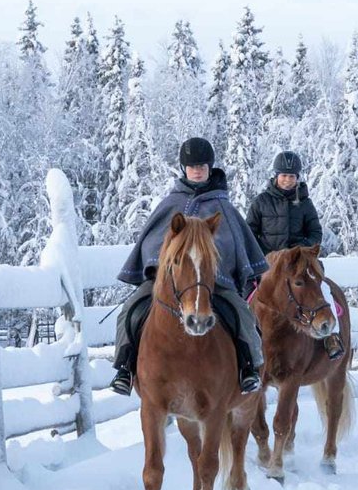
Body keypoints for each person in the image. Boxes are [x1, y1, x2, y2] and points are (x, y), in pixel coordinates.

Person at [110, 137, 269, 396]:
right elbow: (153, 241)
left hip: (214, 281)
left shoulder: (223, 207)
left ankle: (249, 367)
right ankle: (125, 368)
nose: (197, 170)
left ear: (210, 168)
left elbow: (234, 243)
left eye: (202, 166)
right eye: (193, 166)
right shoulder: (171, 204)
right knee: (130, 310)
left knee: (242, 312)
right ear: (184, 168)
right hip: (170, 280)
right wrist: (159, 268)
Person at [247, 151, 343, 360]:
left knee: (323, 287)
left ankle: (331, 336)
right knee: (247, 294)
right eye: (284, 175)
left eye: (292, 176)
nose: (288, 180)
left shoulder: (305, 204)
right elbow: (249, 232)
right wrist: (265, 255)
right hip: (269, 264)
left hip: (300, 263)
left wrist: (303, 251)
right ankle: (245, 338)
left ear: (297, 178)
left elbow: (315, 233)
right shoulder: (261, 202)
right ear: (276, 176)